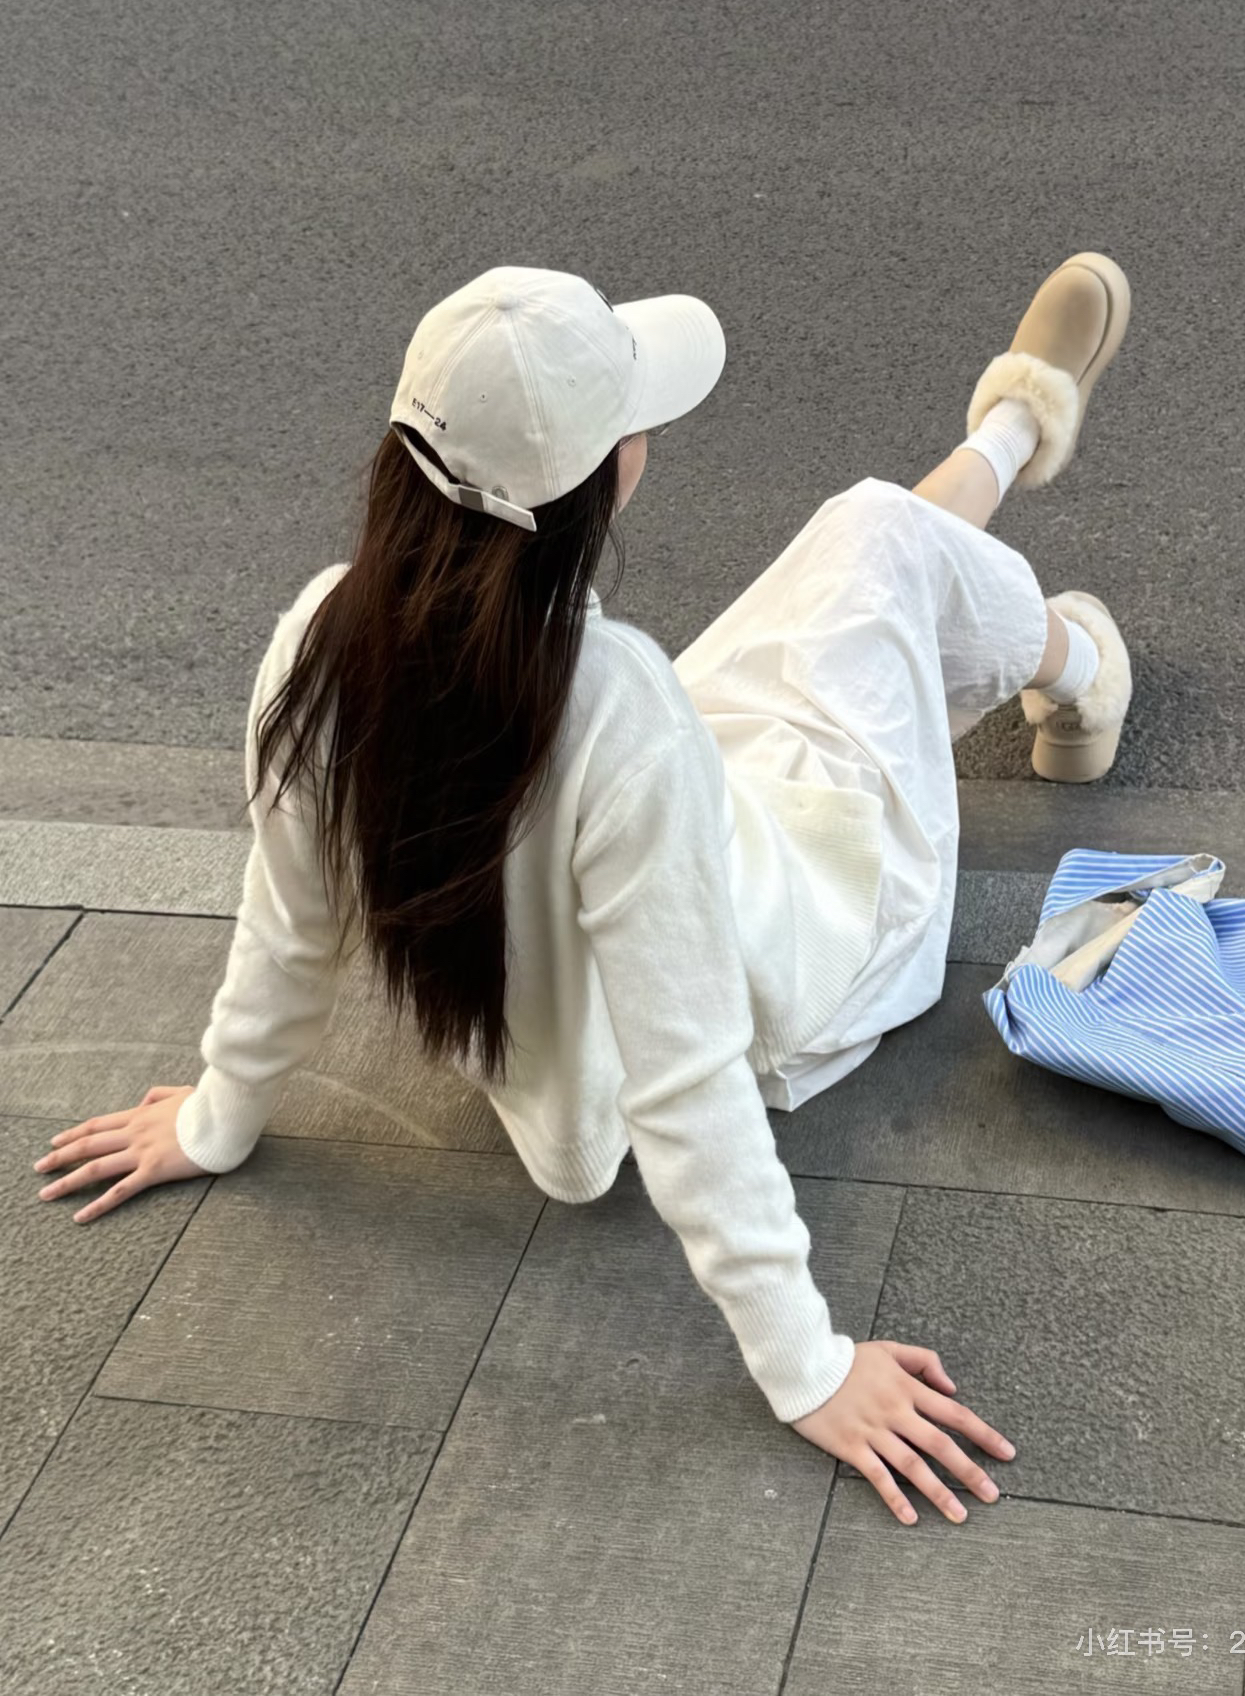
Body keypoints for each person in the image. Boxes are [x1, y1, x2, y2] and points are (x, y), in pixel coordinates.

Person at [32, 255, 1133, 1531]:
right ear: (605, 480)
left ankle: (1015, 427)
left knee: (861, 565)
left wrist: (219, 1115)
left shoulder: (324, 641)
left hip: (612, 948)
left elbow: (291, 924)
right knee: (878, 536)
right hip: (815, 939)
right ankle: (1082, 651)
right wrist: (810, 1365)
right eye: (635, 422)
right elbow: (689, 1074)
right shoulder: (617, 708)